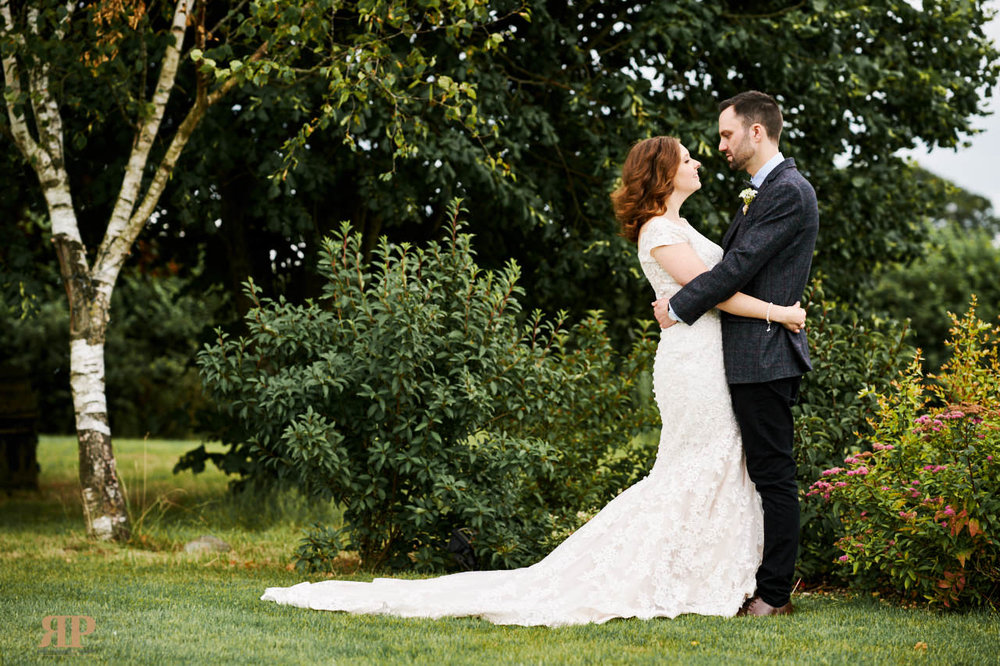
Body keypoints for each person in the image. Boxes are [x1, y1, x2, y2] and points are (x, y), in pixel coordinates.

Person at [259, 133, 807, 627]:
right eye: (685, 156)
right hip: (693, 364)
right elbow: (710, 289)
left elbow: (707, 286)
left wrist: (687, 304)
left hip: (711, 356)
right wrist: (780, 313)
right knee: (691, 469)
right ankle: (673, 575)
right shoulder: (659, 229)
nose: (697, 159)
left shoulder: (681, 225)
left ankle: (711, 575)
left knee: (715, 465)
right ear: (664, 173)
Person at [653, 91, 819, 617]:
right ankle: (741, 579)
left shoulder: (787, 191)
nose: (719, 144)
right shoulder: (763, 190)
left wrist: (679, 306)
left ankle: (773, 596)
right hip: (748, 352)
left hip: (765, 354)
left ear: (755, 131)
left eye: (726, 134)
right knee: (757, 473)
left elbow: (736, 267)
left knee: (773, 474)